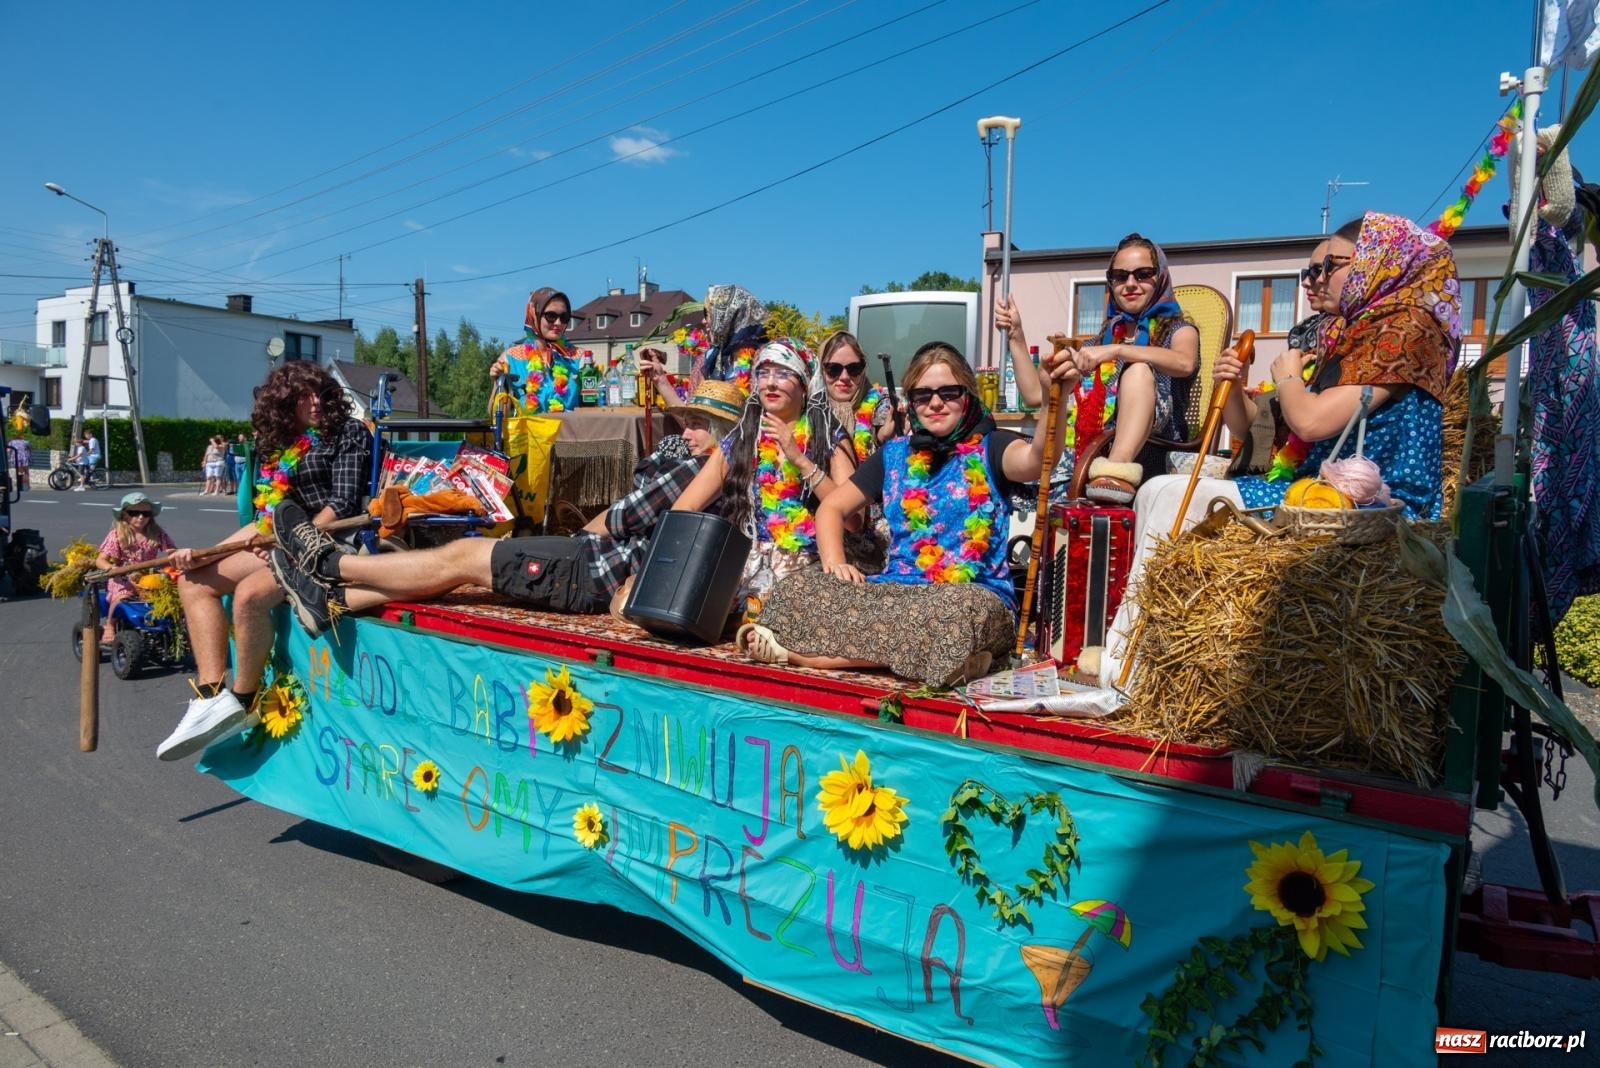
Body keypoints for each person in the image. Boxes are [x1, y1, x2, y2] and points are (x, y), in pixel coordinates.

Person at [1098, 212, 1459, 687]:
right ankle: (1134, 656)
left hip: (1369, 502)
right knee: (1157, 491)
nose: (1313, 280)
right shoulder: (1343, 336)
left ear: (1375, 263)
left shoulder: (1405, 331)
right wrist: (1233, 387)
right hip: (1311, 487)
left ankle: (1128, 668)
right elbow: (1256, 432)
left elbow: (1310, 422)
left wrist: (1288, 375)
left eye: (1327, 267)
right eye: (1309, 271)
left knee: (1167, 493)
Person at [265, 379, 747, 632]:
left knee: (462, 556)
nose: (686, 432)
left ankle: (332, 564)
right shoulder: (723, 479)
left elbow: (622, 518)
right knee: (455, 575)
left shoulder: (695, 470)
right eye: (687, 420)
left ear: (723, 433)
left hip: (591, 570)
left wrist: (580, 538)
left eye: (698, 424)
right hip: (596, 571)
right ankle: (332, 600)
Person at [737, 341, 1066, 686]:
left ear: (967, 395)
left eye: (948, 393)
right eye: (923, 395)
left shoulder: (993, 447)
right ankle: (949, 662)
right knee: (798, 589)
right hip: (897, 591)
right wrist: (835, 564)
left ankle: (800, 655)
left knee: (957, 614)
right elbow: (832, 508)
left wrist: (1050, 399)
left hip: (970, 594)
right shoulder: (894, 455)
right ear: (912, 402)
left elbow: (1038, 460)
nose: (935, 403)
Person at [156, 362, 372, 761]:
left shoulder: (349, 432)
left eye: (320, 394)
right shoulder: (280, 444)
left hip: (331, 542)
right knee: (193, 581)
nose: (315, 402)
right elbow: (265, 517)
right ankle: (210, 697)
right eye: (303, 396)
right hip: (280, 538)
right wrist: (203, 555)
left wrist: (288, 541)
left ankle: (243, 701)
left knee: (248, 597)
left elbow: (342, 505)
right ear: (284, 402)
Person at [999, 233, 1199, 504]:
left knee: (1138, 371)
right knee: (998, 456)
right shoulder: (1101, 341)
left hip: (1152, 447)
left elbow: (1185, 363)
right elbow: (1035, 395)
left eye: (1143, 274)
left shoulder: (1179, 330)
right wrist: (1016, 337)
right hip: (1090, 448)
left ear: (1160, 277)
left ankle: (1115, 470)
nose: (1131, 284)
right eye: (1120, 276)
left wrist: (1118, 351)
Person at [671, 338, 858, 601]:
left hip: (811, 573)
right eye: (763, 373)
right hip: (745, 574)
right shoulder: (743, 440)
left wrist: (801, 461)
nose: (770, 383)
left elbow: (853, 521)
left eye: (783, 374)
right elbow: (684, 509)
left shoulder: (828, 438)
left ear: (804, 384)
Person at [94, 492, 177, 644]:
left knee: (172, 593)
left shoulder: (156, 533)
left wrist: (176, 559)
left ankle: (173, 627)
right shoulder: (118, 534)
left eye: (146, 514)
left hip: (148, 575)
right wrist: (111, 568)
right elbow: (100, 560)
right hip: (123, 576)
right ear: (125, 514)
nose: (140, 517)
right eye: (134, 513)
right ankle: (110, 625)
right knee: (123, 595)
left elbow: (172, 552)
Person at [489, 287, 581, 413]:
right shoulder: (510, 358)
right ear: (534, 315)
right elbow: (495, 414)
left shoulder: (579, 359)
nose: (558, 323)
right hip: (526, 426)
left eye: (564, 317)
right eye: (551, 316)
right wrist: (497, 382)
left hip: (567, 426)